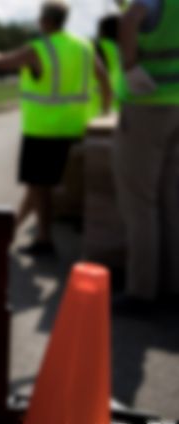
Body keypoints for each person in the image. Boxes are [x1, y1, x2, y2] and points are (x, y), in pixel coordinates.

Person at [0, 0, 111, 255]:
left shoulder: (40, 49)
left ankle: (43, 240)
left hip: (44, 130)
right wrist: (103, 116)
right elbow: (105, 82)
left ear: (46, 21)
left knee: (41, 187)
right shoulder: (84, 47)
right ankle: (10, 231)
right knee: (38, 185)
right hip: (76, 127)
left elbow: (0, 62)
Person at [112, 0, 179, 307]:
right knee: (170, 198)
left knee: (140, 200)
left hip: (148, 105)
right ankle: (170, 284)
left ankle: (142, 291)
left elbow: (130, 20)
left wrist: (130, 67)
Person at [89, 15, 124, 117]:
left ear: (103, 31)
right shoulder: (125, 49)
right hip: (119, 106)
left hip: (98, 106)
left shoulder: (96, 47)